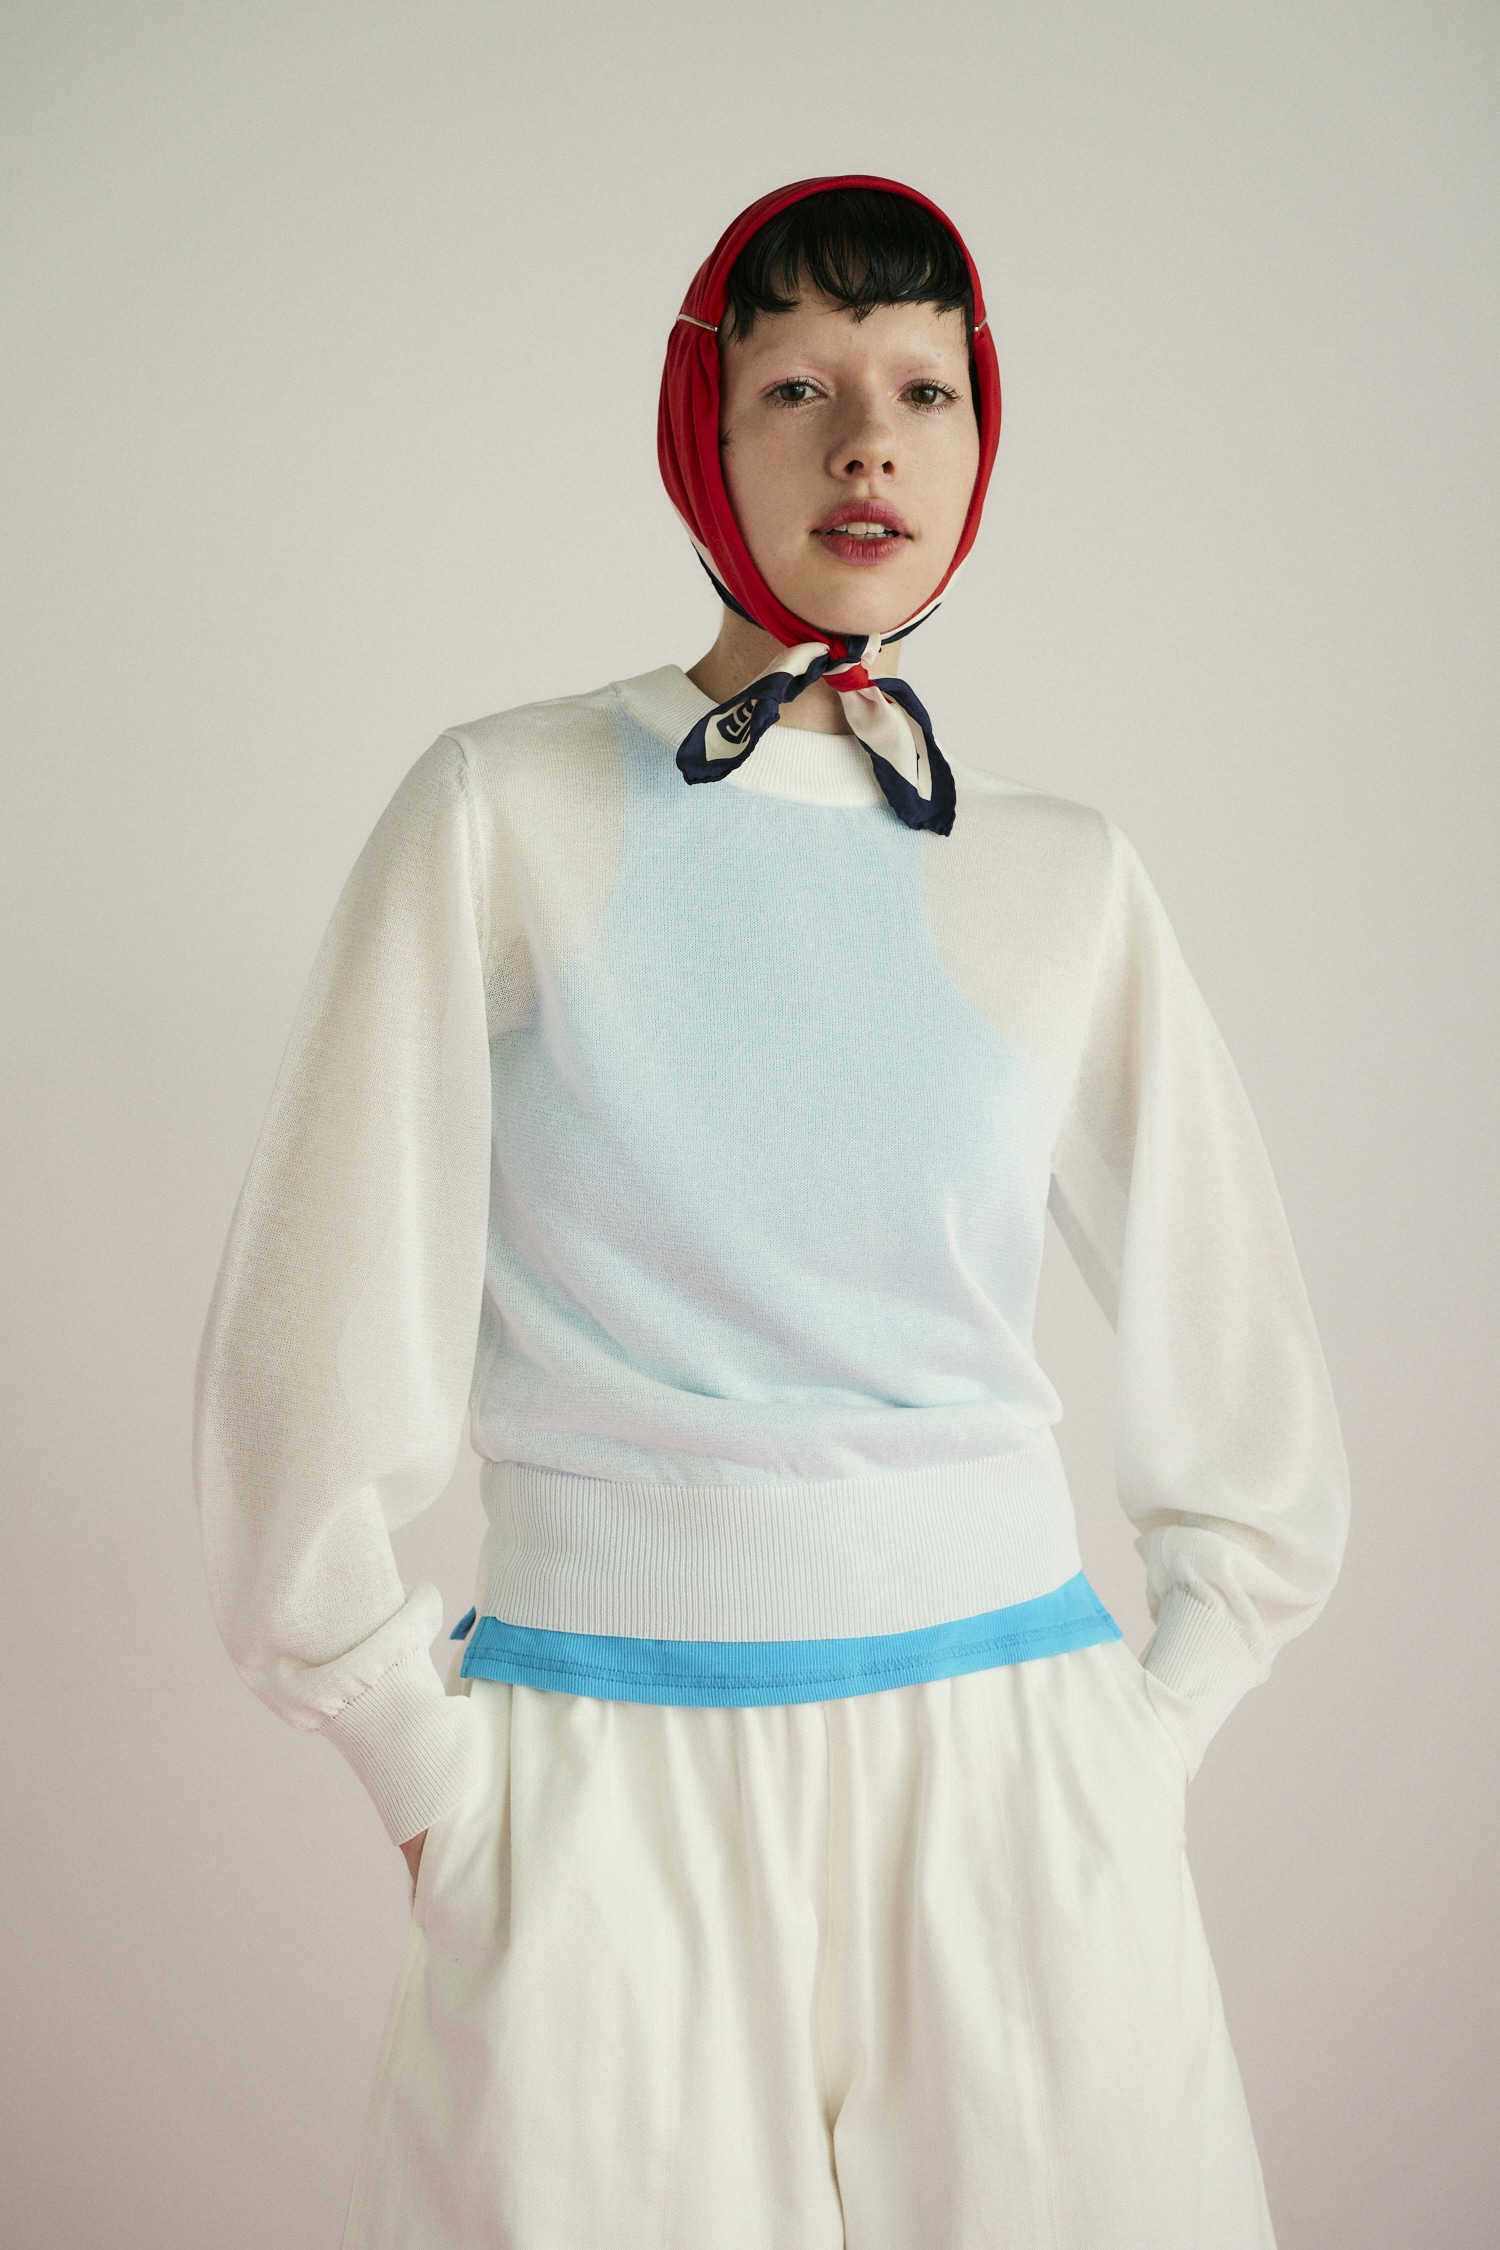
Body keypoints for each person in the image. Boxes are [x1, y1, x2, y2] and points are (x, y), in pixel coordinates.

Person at [194, 175, 1350, 2249]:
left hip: (1016, 1782)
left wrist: (1140, 1741)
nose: (868, 444)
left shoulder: (1061, 872)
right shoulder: (506, 805)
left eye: (925, 389)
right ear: (700, 436)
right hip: (601, 1775)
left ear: (982, 438)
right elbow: (310, 1315)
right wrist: (422, 1770)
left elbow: (1242, 1355)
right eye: (800, 386)